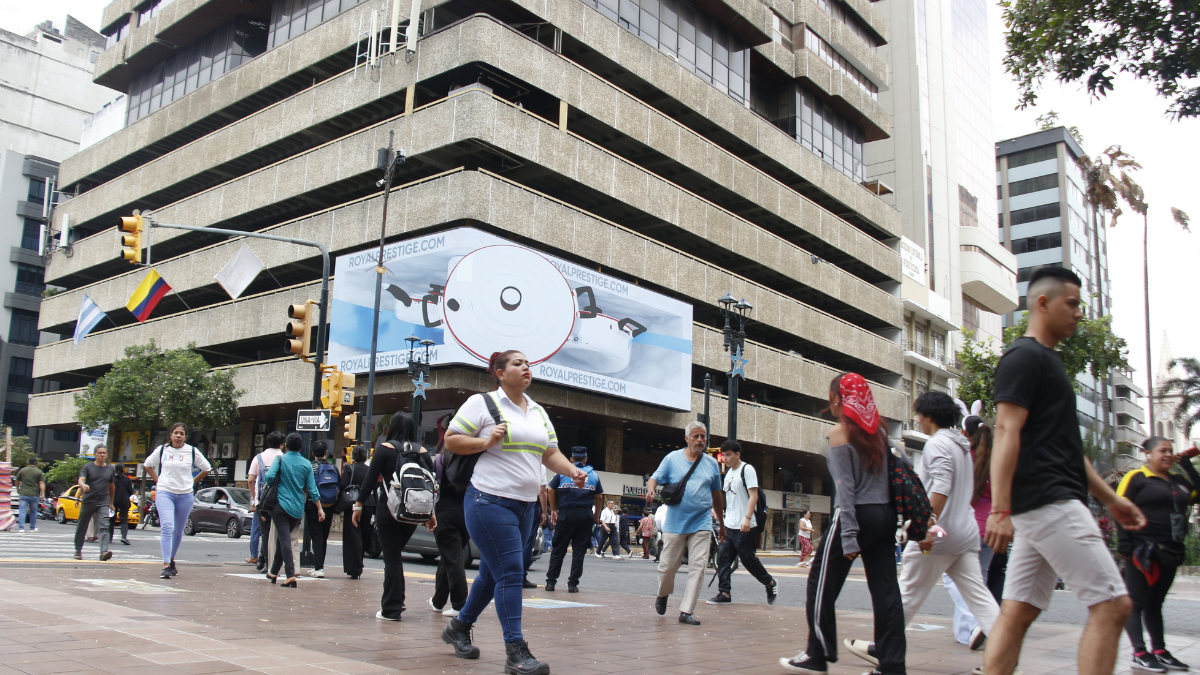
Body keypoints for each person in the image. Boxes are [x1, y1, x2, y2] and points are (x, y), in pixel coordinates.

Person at [983, 267, 1147, 675]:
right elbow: (1005, 430)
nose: (1078, 313)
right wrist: (1000, 509)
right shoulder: (1024, 357)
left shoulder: (1049, 362)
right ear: (1043, 303)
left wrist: (1111, 500)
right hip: (1049, 502)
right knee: (1113, 605)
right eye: (1071, 304)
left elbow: (1070, 450)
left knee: (1017, 613)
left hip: (1047, 502)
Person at [440, 350, 587, 675]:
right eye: (517, 363)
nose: (525, 367)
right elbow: (451, 440)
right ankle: (515, 652)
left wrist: (572, 472)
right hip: (488, 502)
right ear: (500, 372)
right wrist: (484, 442)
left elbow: (550, 453)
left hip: (525, 508)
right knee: (510, 572)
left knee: (493, 574)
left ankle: (459, 627)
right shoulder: (483, 404)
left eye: (527, 364)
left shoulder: (536, 411)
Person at [845, 392, 998, 668]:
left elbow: (940, 486)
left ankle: (884, 649)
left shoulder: (938, 444)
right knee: (979, 595)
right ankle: (1006, 655)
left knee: (905, 594)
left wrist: (926, 526)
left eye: (918, 414)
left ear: (927, 416)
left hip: (938, 535)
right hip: (965, 534)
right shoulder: (962, 444)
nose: (917, 419)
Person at [780, 373, 906, 675]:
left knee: (820, 584)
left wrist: (849, 536)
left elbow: (845, 492)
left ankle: (818, 654)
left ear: (838, 398)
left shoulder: (840, 433)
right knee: (886, 593)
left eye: (830, 396)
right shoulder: (879, 434)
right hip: (886, 517)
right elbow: (904, 468)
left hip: (857, 516)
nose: (829, 402)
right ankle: (892, 666)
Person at [1115, 438, 1200, 672]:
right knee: (1136, 602)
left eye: (1170, 451)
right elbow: (1118, 507)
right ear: (1147, 454)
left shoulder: (1178, 481)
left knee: (1155, 603)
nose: (1168, 454)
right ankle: (1140, 653)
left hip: (1171, 551)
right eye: (1162, 450)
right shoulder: (1136, 478)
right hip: (1142, 550)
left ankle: (1160, 651)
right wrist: (1124, 544)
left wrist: (1188, 466)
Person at [350, 412, 433, 617]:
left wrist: (358, 505)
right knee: (395, 556)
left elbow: (369, 480)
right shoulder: (422, 452)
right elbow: (431, 485)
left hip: (388, 510)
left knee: (392, 558)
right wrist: (432, 513)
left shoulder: (384, 449)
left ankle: (391, 608)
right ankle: (398, 600)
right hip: (414, 511)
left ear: (391, 428)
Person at [645, 421, 725, 626]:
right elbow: (654, 478)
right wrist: (651, 489)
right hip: (675, 523)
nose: (700, 440)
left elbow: (717, 495)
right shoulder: (672, 459)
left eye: (703, 437)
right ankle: (663, 594)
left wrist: (722, 524)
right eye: (696, 436)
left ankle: (686, 610)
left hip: (702, 522)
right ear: (687, 438)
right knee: (666, 567)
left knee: (698, 567)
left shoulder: (712, 464)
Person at [710, 439, 778, 606]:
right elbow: (729, 500)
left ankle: (769, 583)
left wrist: (747, 518)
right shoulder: (728, 474)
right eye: (723, 455)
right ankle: (724, 592)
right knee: (723, 558)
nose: (725, 458)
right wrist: (723, 524)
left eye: (728, 455)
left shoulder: (747, 470)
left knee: (748, 559)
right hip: (730, 524)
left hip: (745, 524)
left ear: (737, 454)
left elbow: (753, 495)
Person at [144, 424, 212, 578]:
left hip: (185, 495)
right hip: (165, 492)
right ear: (171, 435)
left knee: (178, 530)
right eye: (176, 433)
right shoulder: (162, 450)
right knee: (167, 526)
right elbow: (148, 465)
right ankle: (166, 564)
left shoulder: (192, 451)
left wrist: (192, 483)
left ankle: (172, 559)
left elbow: (206, 468)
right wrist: (158, 481)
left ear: (186, 437)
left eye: (181, 433)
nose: (178, 436)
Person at [263, 433, 324, 587]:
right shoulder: (306, 464)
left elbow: (269, 478)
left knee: (284, 539)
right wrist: (320, 508)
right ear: (301, 447)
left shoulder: (280, 459)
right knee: (283, 538)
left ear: (285, 446)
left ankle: (290, 575)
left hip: (280, 506)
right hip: (298, 509)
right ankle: (273, 571)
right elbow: (312, 489)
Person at [545, 446, 604, 592]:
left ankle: (551, 582)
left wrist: (553, 509)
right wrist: (596, 516)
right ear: (585, 460)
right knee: (579, 551)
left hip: (566, 514)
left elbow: (550, 490)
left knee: (558, 549)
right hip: (585, 516)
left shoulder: (562, 473)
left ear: (571, 459)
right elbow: (599, 497)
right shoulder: (594, 475)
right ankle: (573, 584)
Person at [431, 414, 468, 616]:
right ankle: (438, 600)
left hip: (445, 513)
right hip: (466, 513)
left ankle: (460, 604)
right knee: (451, 557)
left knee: (453, 560)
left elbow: (432, 489)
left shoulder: (439, 459)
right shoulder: (469, 459)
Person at [247, 432, 285, 572]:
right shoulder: (283, 458)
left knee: (265, 532)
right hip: (279, 501)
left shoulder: (258, 458)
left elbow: (251, 480)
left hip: (262, 502)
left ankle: (264, 560)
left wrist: (256, 498)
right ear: (281, 444)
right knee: (278, 533)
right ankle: (269, 562)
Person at [302, 441, 337, 578]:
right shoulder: (332, 467)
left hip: (313, 504)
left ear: (312, 453)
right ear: (326, 453)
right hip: (329, 505)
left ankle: (318, 567)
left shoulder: (310, 466)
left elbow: (306, 485)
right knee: (324, 536)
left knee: (316, 535)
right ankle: (319, 565)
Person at [74, 445, 115, 561]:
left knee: (104, 526)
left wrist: (111, 502)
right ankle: (78, 550)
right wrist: (83, 486)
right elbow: (81, 480)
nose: (102, 455)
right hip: (88, 501)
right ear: (95, 454)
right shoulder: (87, 467)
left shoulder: (110, 469)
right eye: (100, 453)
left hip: (103, 501)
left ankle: (103, 552)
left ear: (106, 455)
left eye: (104, 453)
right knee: (82, 526)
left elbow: (112, 487)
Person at [341, 444, 371, 580]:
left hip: (353, 503)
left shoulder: (349, 468)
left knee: (352, 535)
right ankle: (359, 564)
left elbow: (343, 485)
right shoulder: (369, 470)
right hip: (369, 503)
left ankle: (354, 567)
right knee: (363, 534)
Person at [521, 481, 549, 588]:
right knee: (527, 542)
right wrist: (544, 512)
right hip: (531, 502)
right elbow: (542, 492)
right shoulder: (538, 465)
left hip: (512, 500)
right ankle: (521, 576)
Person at [15, 456, 44, 533]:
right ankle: (32, 528)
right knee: (33, 511)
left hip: (23, 493)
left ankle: (21, 528)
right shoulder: (39, 472)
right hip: (34, 494)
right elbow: (41, 483)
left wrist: (18, 488)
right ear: (36, 463)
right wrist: (42, 494)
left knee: (22, 510)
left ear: (28, 462)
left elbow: (16, 480)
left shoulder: (23, 470)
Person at [111, 463, 135, 545]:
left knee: (111, 519)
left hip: (113, 501)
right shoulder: (127, 479)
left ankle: (109, 537)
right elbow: (131, 491)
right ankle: (124, 536)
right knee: (123, 520)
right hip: (124, 501)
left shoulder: (112, 479)